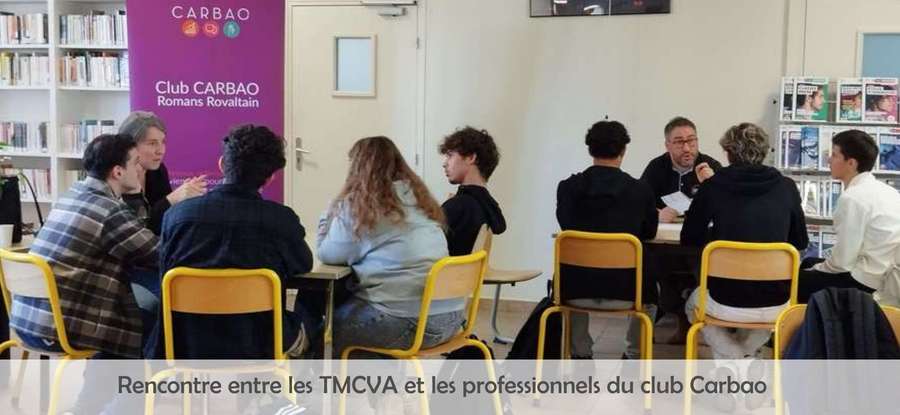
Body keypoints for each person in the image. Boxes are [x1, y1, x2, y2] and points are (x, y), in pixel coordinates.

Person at [9, 134, 160, 413]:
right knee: (148, 319)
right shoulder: (109, 209)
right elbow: (157, 253)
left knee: (132, 316)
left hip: (28, 320)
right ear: (118, 171)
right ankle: (120, 406)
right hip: (62, 326)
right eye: (136, 163)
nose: (141, 169)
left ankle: (91, 406)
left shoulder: (72, 195)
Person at [159, 124, 319, 358]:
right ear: (270, 177)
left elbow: (163, 271)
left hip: (186, 343)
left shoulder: (176, 217)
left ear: (222, 164)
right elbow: (303, 265)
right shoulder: (281, 220)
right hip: (262, 344)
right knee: (313, 312)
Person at [318, 136, 461, 357]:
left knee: (323, 331)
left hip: (408, 322)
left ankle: (316, 378)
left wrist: (329, 213)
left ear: (357, 168)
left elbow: (327, 254)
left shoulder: (361, 207)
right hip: (450, 319)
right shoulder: (421, 199)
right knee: (355, 307)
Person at [681, 123, 808, 359]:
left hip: (724, 297)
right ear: (765, 151)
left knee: (692, 305)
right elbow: (800, 241)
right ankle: (743, 359)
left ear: (729, 153)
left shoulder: (713, 186)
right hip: (777, 299)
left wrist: (719, 237)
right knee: (764, 318)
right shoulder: (787, 187)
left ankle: (734, 358)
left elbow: (689, 238)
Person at [556, 120, 658, 359]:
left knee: (571, 268)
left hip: (573, 291)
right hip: (628, 292)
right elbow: (649, 232)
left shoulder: (568, 188)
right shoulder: (640, 191)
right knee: (652, 288)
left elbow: (566, 226)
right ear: (623, 150)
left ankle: (580, 353)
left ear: (590, 149)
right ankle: (634, 354)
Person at [798, 129, 900, 306]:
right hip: (884, 273)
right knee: (808, 262)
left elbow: (842, 263)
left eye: (834, 155)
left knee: (796, 279)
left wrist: (816, 269)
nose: (829, 160)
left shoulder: (853, 198)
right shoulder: (888, 191)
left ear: (851, 163)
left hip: (866, 280)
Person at [118, 111, 207, 235]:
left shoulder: (158, 170)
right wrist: (172, 199)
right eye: (152, 143)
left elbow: (166, 219)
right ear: (130, 146)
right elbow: (136, 231)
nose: (161, 151)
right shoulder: (117, 176)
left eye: (163, 142)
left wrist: (183, 199)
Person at [640, 116, 722, 223]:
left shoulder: (711, 166)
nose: (686, 149)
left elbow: (728, 207)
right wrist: (656, 214)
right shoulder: (656, 167)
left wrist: (712, 183)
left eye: (691, 140)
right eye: (679, 142)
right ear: (667, 146)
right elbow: (638, 203)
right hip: (665, 230)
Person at [439, 126, 506, 256]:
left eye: (450, 156)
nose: (445, 163)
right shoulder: (489, 207)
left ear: (471, 157)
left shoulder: (457, 206)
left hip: (445, 269)